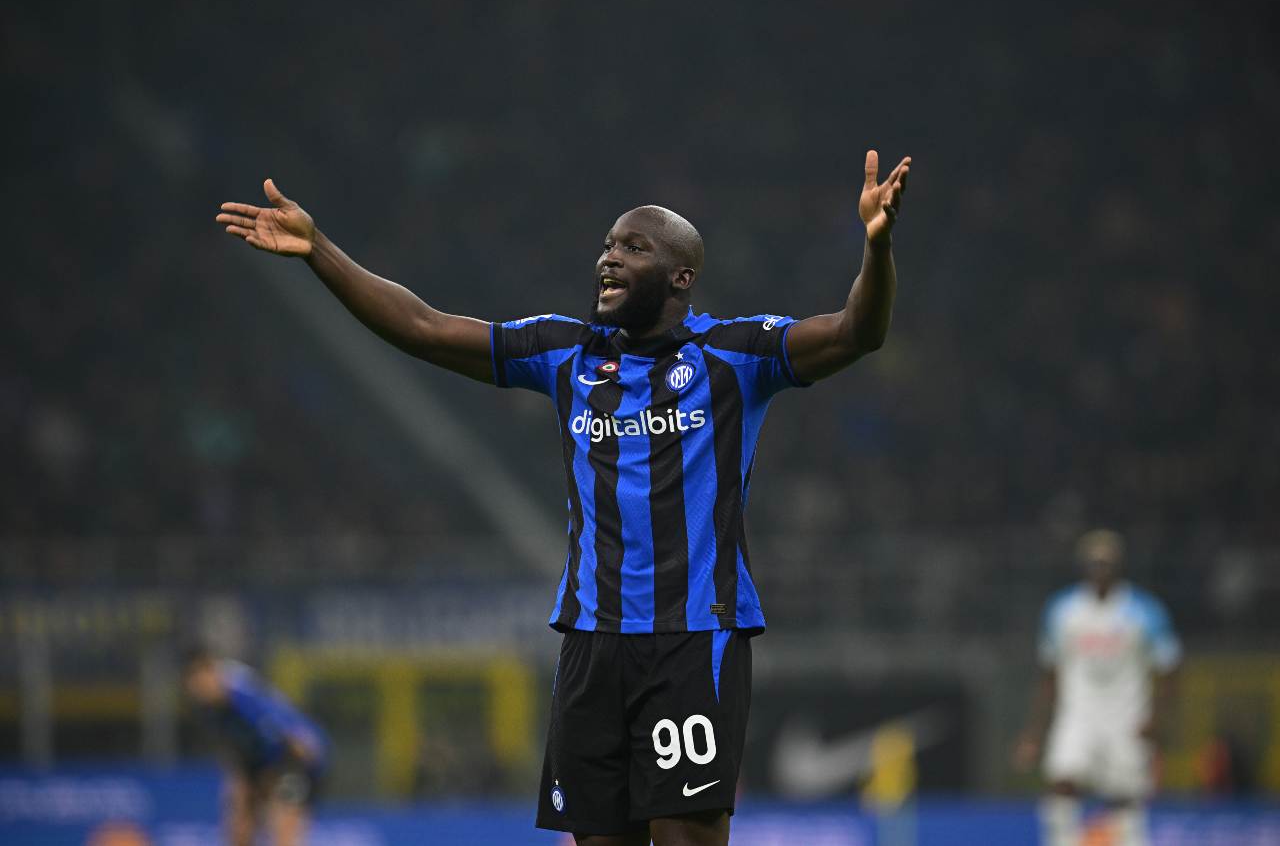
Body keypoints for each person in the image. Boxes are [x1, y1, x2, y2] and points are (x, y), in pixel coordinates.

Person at [215, 148, 910, 846]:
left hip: (691, 641)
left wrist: (876, 249)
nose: (609, 258)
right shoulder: (565, 352)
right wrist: (319, 250)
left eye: (633, 247)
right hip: (590, 644)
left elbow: (857, 331)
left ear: (681, 276)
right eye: (608, 245)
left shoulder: (735, 356)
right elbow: (424, 327)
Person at [1014, 529, 1181, 846]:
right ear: (1083, 566)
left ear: (1118, 566)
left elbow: (1169, 668)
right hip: (1078, 711)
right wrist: (1034, 731)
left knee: (1126, 793)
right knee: (1062, 780)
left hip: (1127, 715)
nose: (1099, 570)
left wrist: (1157, 718)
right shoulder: (1063, 610)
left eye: (1105, 563)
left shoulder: (1145, 611)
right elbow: (1050, 672)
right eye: (1093, 563)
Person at [183, 648, 329, 846]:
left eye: (199, 680)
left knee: (283, 819)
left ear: (210, 672)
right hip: (257, 763)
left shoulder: (240, 692)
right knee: (239, 818)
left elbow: (288, 733)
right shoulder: (210, 710)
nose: (197, 689)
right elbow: (233, 751)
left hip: (290, 758)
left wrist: (289, 766)